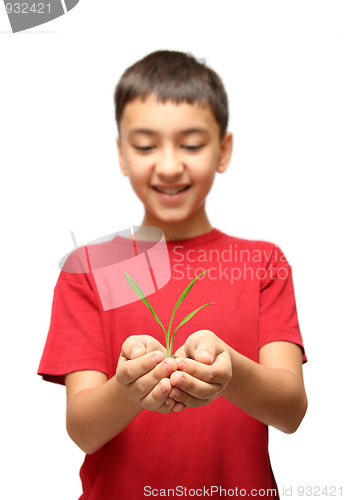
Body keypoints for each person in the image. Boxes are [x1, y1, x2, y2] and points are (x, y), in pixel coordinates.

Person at [37, 50, 308, 499]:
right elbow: (84, 430)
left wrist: (230, 372)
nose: (167, 165)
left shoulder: (264, 262)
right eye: (145, 146)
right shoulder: (89, 268)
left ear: (223, 150)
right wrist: (127, 387)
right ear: (122, 153)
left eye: (191, 144)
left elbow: (291, 411)